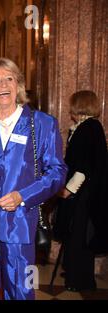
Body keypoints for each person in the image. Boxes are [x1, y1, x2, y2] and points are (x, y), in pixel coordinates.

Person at [0, 58, 67, 300]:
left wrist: (22, 196)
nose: (3, 85)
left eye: (9, 78)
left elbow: (57, 172)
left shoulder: (43, 124)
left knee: (21, 293)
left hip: (20, 227)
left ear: (18, 86)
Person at [55, 90, 107, 291]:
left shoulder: (89, 128)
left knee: (79, 236)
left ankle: (80, 280)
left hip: (83, 194)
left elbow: (84, 167)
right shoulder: (85, 127)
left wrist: (68, 190)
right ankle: (73, 271)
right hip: (82, 192)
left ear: (79, 105)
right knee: (73, 233)